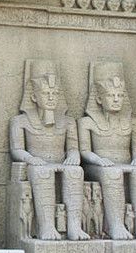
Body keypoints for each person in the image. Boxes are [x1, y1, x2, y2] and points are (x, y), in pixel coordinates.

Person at [9, 60, 89, 241]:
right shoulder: (20, 121)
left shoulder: (68, 122)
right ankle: (47, 227)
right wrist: (30, 158)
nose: (51, 97)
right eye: (46, 93)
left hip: (61, 163)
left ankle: (74, 226)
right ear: (34, 97)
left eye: (54, 93)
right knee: (42, 172)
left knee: (76, 172)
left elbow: (73, 148)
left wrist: (73, 156)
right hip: (36, 165)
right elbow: (17, 149)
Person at [78, 62, 136, 240]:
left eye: (120, 95)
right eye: (111, 95)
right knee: (112, 173)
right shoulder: (87, 122)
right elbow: (84, 151)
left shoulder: (133, 123)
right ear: (99, 99)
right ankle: (116, 226)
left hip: (124, 163)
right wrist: (98, 160)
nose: (116, 99)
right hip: (97, 165)